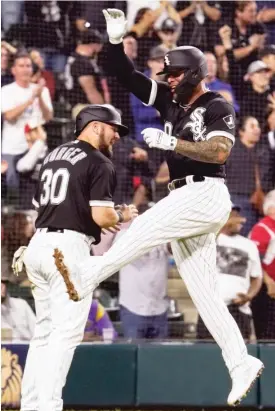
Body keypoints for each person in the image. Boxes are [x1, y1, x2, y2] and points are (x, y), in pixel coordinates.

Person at [69, 9, 264, 406]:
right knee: (205, 293)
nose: (168, 79)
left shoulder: (216, 105)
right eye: (167, 74)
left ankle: (88, 275)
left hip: (205, 193)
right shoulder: (170, 103)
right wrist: (114, 38)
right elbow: (123, 74)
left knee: (138, 230)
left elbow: (220, 150)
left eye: (174, 74)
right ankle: (240, 361)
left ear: (193, 72)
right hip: (184, 198)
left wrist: (173, 144)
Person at [15, 104, 138, 411]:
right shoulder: (99, 162)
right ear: (95, 126)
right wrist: (122, 213)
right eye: (113, 129)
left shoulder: (53, 154)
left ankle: (32, 405)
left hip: (39, 245)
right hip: (67, 251)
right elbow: (101, 215)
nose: (116, 136)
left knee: (43, 333)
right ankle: (48, 406)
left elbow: (38, 204)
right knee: (65, 335)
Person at [197, 204, 262, 341]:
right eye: (233, 216)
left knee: (238, 355)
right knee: (206, 355)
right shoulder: (210, 239)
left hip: (238, 310)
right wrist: (223, 223)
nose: (238, 220)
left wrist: (248, 296)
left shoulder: (249, 245)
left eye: (238, 216)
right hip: (211, 309)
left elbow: (257, 278)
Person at [1, 50, 53, 199]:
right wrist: (30, 100)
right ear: (13, 70)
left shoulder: (42, 91)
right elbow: (9, 116)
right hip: (11, 147)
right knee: (12, 185)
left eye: (28, 66)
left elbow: (48, 117)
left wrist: (39, 97)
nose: (25, 69)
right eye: (21, 66)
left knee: (32, 181)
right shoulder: (6, 91)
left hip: (34, 145)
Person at [250, 190, 275, 340]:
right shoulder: (262, 228)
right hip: (266, 292)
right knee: (268, 337)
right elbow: (255, 260)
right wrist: (269, 282)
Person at [1, 270, 36, 341]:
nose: (2, 286)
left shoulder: (21, 305)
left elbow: (36, 331)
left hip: (26, 348)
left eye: (3, 282)